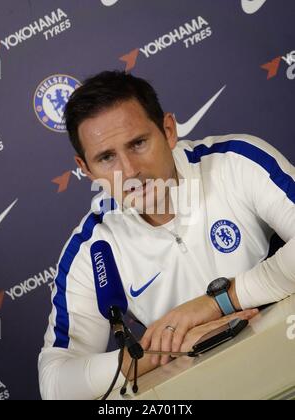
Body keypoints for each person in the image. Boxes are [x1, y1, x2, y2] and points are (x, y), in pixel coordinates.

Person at [38, 71, 295, 400]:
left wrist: (220, 301)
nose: (130, 171)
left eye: (138, 143)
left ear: (169, 130)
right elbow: (56, 385)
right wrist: (160, 350)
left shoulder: (235, 162)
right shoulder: (93, 246)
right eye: (106, 158)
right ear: (86, 169)